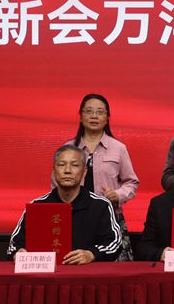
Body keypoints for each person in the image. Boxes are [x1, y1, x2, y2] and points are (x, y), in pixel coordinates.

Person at [52, 93, 138, 261]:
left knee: (113, 268)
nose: (94, 116)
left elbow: (131, 182)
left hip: (109, 217)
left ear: (107, 118)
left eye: (100, 112)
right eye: (89, 111)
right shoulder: (68, 148)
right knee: (72, 262)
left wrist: (118, 195)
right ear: (80, 116)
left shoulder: (118, 148)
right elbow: (56, 182)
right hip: (74, 217)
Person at [8, 144, 122, 263]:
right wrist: (18, 253)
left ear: (84, 172)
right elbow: (13, 245)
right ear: (54, 171)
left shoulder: (101, 205)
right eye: (61, 165)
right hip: (46, 272)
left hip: (87, 272)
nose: (67, 170)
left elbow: (115, 243)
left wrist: (92, 254)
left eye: (75, 165)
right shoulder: (36, 206)